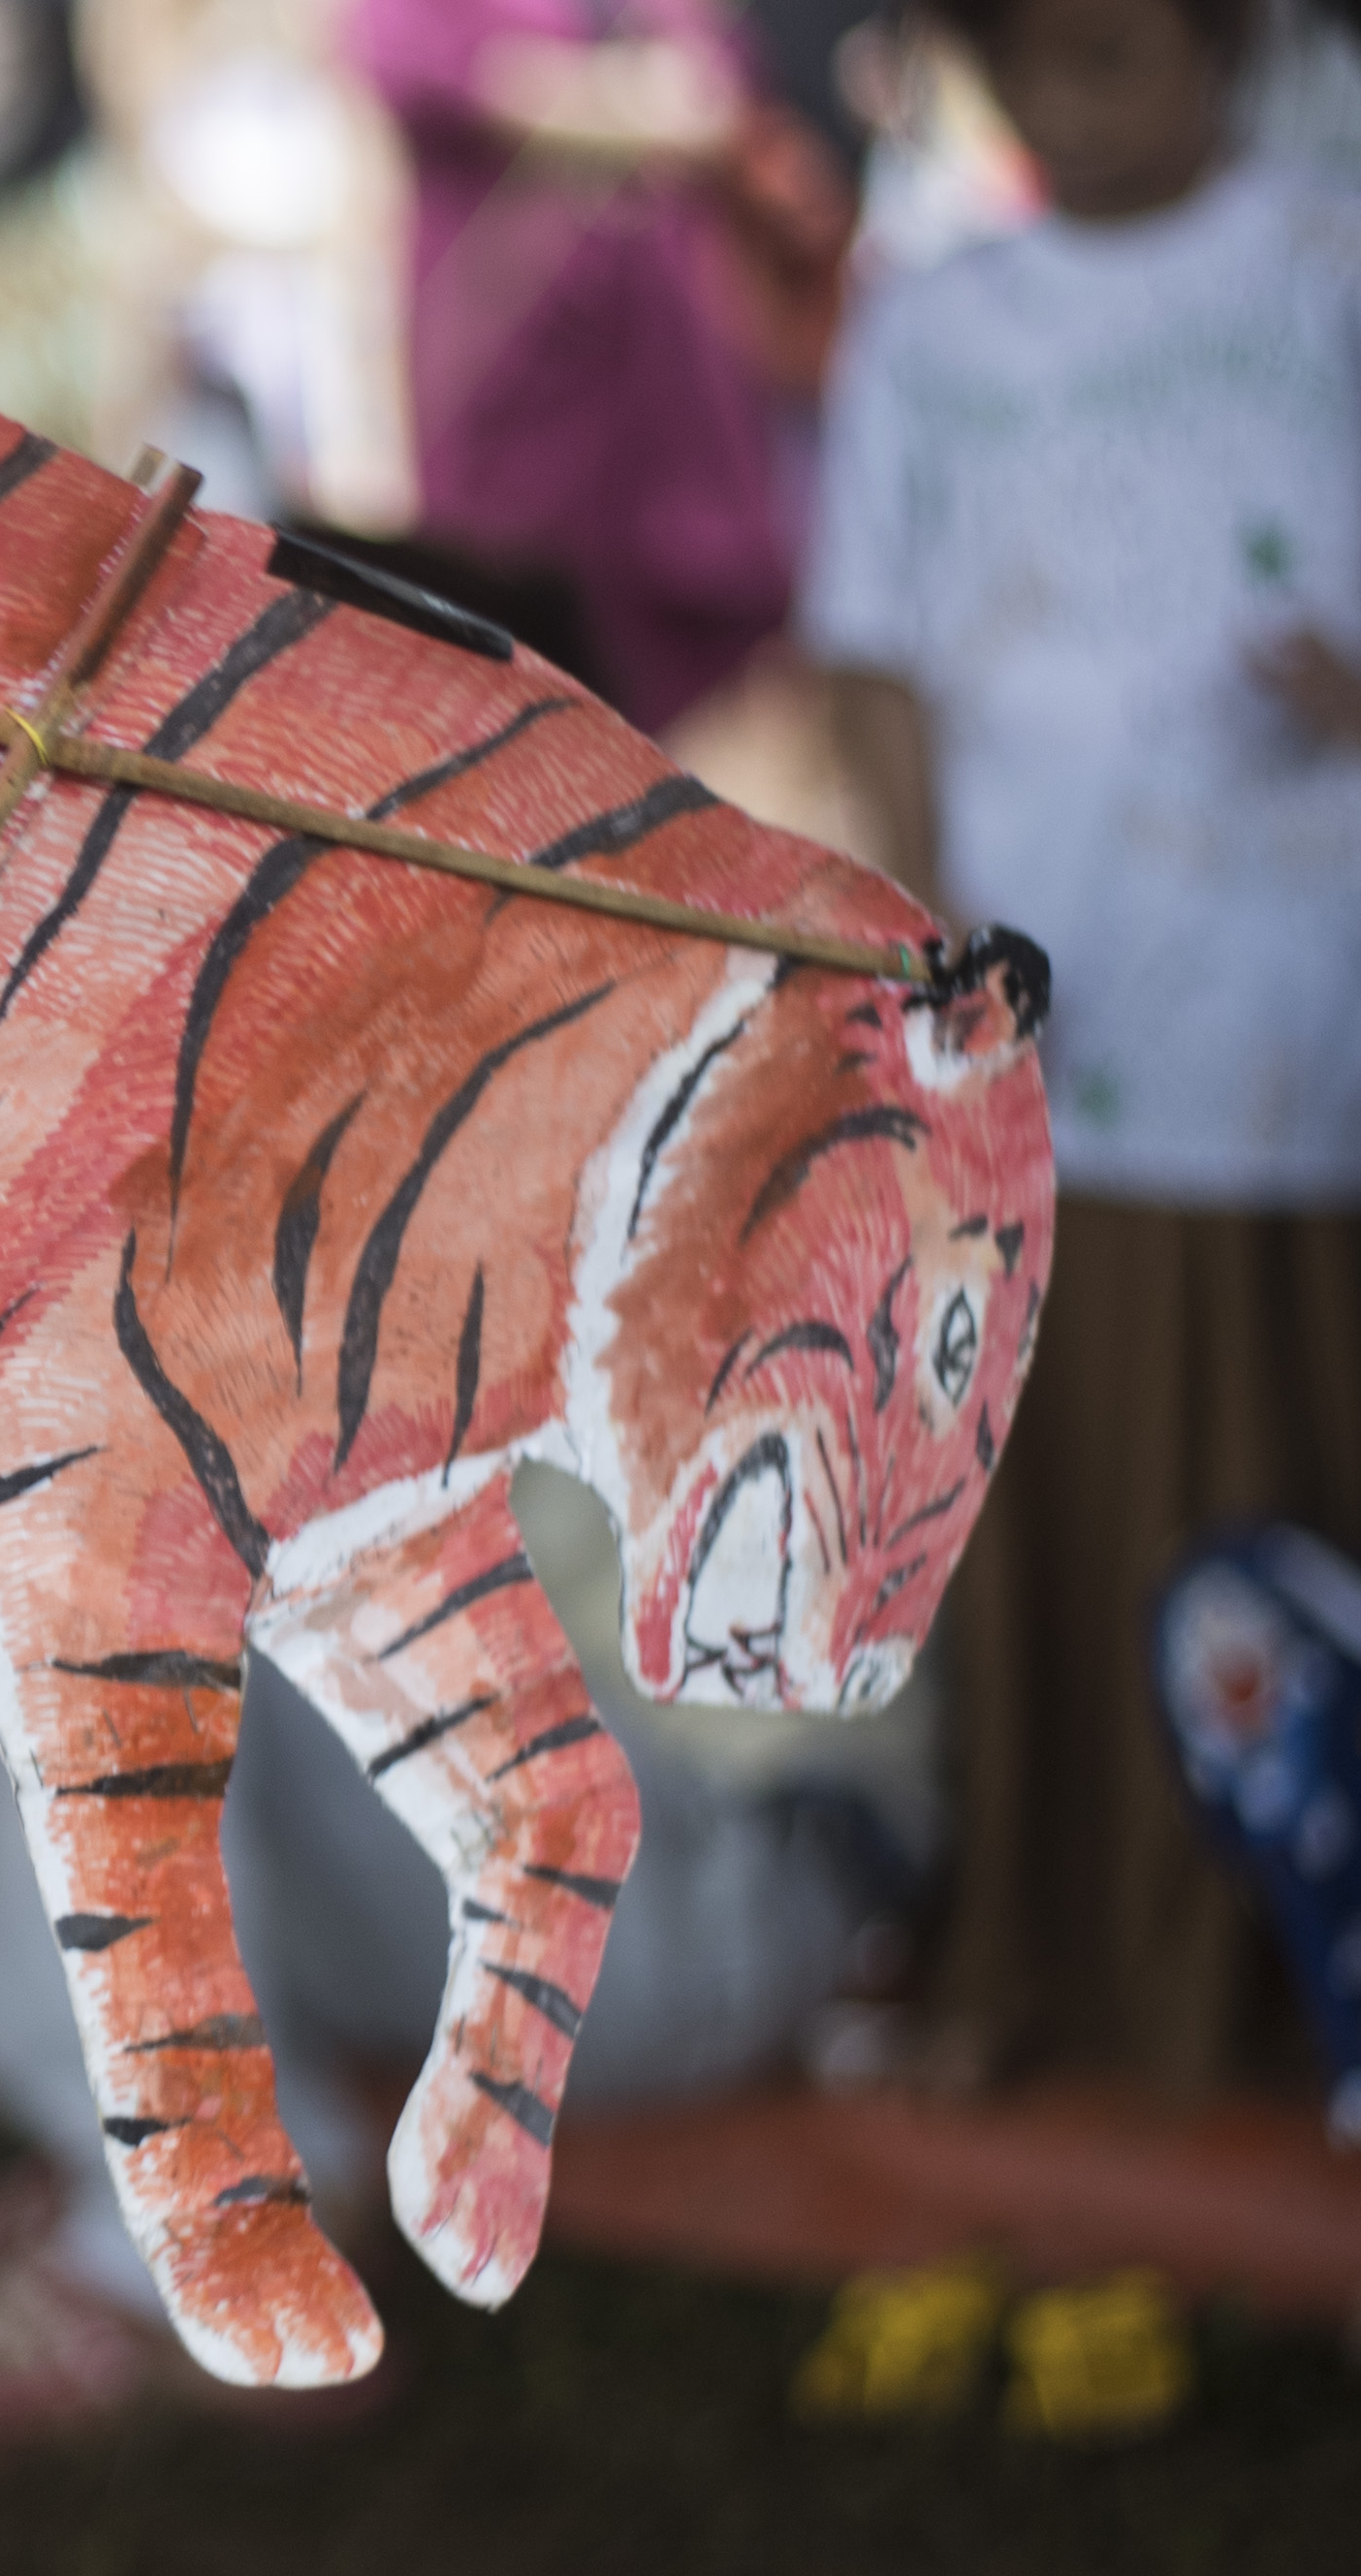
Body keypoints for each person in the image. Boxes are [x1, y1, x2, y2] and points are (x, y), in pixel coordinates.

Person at [0, 1471, 912, 2449]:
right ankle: (155, 2162)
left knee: (108, 1565)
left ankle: (217, 2229)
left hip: (695, 1870)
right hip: (422, 1865)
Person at [804, 0, 1361, 2089]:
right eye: (1027, 57)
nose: (1068, 101)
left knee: (1267, 1467)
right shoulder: (932, 326)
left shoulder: (1327, 270)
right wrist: (930, 935)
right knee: (1049, 1495)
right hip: (1045, 1013)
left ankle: (1265, 1997)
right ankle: (1065, 1966)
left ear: (1225, 55)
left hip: (1295, 1019)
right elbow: (868, 660)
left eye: (1118, 51)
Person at [345, 0, 819, 730]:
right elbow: (422, 69)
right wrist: (633, 109)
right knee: (513, 684)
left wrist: (606, 104)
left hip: (676, 399)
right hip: (516, 400)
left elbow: (716, 84)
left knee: (709, 701)